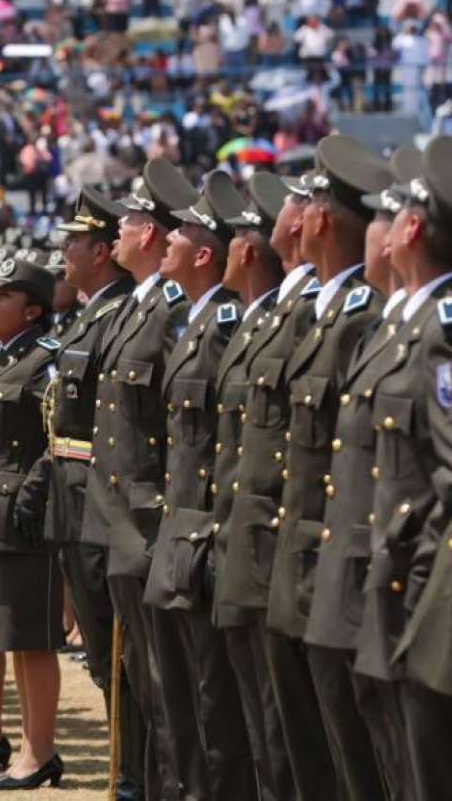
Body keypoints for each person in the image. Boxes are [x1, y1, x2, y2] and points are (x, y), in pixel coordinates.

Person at [265, 135, 393, 801]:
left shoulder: (360, 319)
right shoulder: (321, 310)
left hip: (337, 566)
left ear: (318, 219)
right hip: (298, 559)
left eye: (306, 199)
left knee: (353, 756)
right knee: (305, 748)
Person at [19, 185, 140, 797]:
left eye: (73, 241)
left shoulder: (124, 312)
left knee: (118, 649)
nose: (62, 251)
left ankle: (135, 771)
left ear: (101, 250)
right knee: (98, 648)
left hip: (99, 492)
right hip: (70, 492)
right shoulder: (91, 312)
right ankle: (132, 766)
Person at [88, 158, 195, 801]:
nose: (118, 233)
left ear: (150, 233)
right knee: (139, 673)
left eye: (127, 221)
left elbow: (177, 425)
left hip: (149, 521)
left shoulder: (171, 309)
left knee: (166, 679)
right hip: (121, 517)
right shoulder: (138, 306)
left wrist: (155, 515)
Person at [147, 171, 255, 800]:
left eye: (180, 234)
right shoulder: (192, 321)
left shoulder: (219, 328)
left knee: (214, 706)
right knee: (178, 698)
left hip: (201, 541)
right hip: (176, 535)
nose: (167, 242)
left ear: (205, 254)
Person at [361, 136, 452, 801]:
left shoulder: (439, 332)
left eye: (388, 216)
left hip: (419, 594)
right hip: (392, 583)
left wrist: (418, 586)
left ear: (413, 227)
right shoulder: (411, 324)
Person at [0, 254, 66, 790]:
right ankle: (29, 748)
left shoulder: (44, 361)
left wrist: (32, 496)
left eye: (2, 296)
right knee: (11, 637)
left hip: (24, 517)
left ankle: (40, 749)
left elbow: (61, 438)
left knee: (32, 639)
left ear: (32, 310)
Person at [214, 171, 292, 800]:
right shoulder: (249, 322)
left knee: (279, 722)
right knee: (248, 715)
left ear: (246, 250)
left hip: (272, 547)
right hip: (235, 540)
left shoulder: (287, 324)